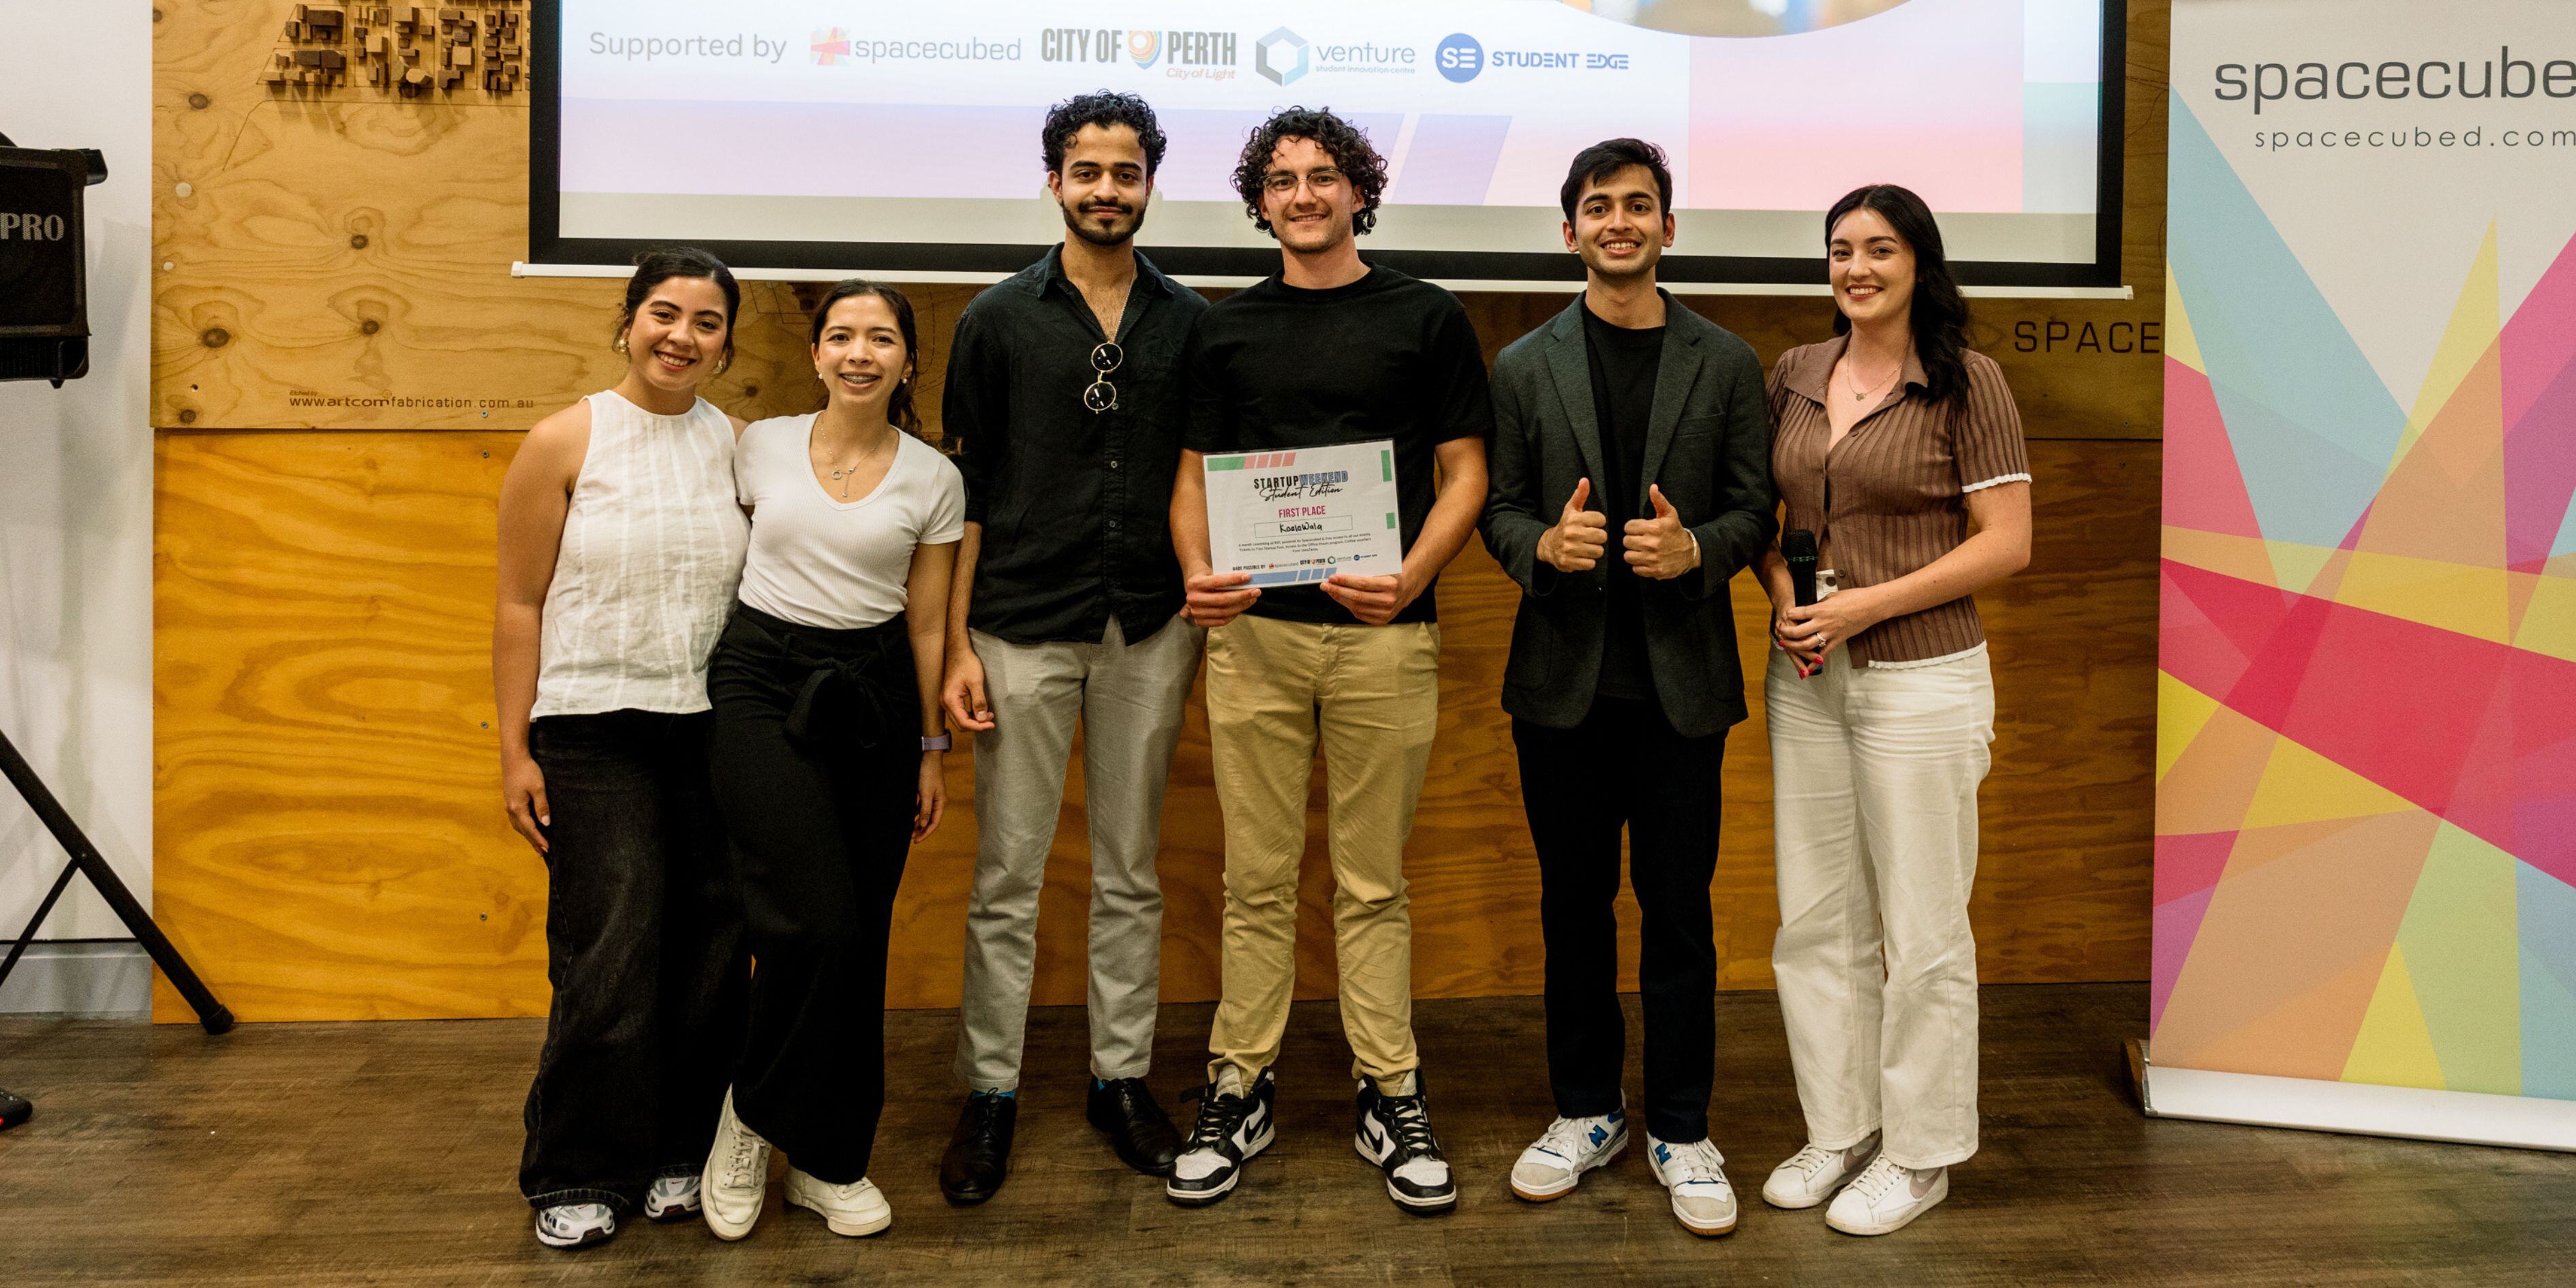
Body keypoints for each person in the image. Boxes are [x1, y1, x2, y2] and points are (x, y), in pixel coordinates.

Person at [1164, 106, 1492, 1214]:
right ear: (1260, 201)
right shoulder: (1223, 330)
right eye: (1283, 180)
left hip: (1385, 640)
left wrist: (1408, 575)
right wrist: (1200, 574)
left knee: (1372, 882)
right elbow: (1193, 477)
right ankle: (1237, 1084)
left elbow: (1464, 476)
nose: (1304, 195)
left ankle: (1388, 1088)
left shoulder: (1427, 316)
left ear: (1361, 190)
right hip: (1252, 639)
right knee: (1252, 881)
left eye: (1325, 177)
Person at [1479, 139, 1775, 1237]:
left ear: (1668, 227)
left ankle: (1683, 1125)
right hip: (1560, 686)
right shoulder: (1520, 367)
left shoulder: (1728, 361)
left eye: (1638, 206)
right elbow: (1499, 508)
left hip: (1681, 687)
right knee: (1572, 908)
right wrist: (1540, 547)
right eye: (1597, 207)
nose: (1618, 222)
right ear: (1570, 232)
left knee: (1680, 912)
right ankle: (1587, 1108)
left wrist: (1697, 547)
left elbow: (1756, 510)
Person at [934, 91, 1209, 1206]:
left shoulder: (1190, 321)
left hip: (1148, 622)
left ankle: (1119, 1078)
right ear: (1054, 179)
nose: (1107, 189)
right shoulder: (996, 321)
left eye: (1126, 171)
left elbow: (1205, 470)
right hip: (1017, 624)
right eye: (1086, 170)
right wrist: (953, 644)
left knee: (1133, 871)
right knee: (1007, 872)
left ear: (1150, 182)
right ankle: (990, 1090)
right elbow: (970, 500)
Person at [1755, 183, 2031, 1237]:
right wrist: (1788, 601)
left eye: (1878, 249)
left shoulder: (1969, 381)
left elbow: (2006, 541)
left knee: (1922, 931)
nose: (1856, 267)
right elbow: (1772, 522)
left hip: (1923, 679)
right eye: (1839, 250)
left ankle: (1920, 1155)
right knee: (1817, 918)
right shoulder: (1795, 373)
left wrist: (1865, 604)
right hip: (1810, 679)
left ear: (1921, 261)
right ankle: (1842, 1128)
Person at [491, 247, 752, 1251]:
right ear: (628, 320)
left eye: (706, 322)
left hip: (711, 729)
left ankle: (681, 1148)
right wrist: (515, 750)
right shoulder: (564, 440)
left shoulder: (735, 446)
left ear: (725, 344)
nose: (681, 336)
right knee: (610, 949)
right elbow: (519, 603)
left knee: (712, 948)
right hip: (593, 731)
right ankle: (579, 1165)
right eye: (663, 314)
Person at [696, 281, 964, 1241]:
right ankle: (751, 1113)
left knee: (861, 936)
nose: (860, 352)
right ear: (815, 354)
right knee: (816, 921)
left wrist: (931, 749)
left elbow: (928, 622)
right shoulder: (757, 443)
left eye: (881, 338)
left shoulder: (935, 477)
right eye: (841, 335)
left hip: (877, 694)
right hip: (760, 679)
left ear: (904, 360)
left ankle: (828, 1157)